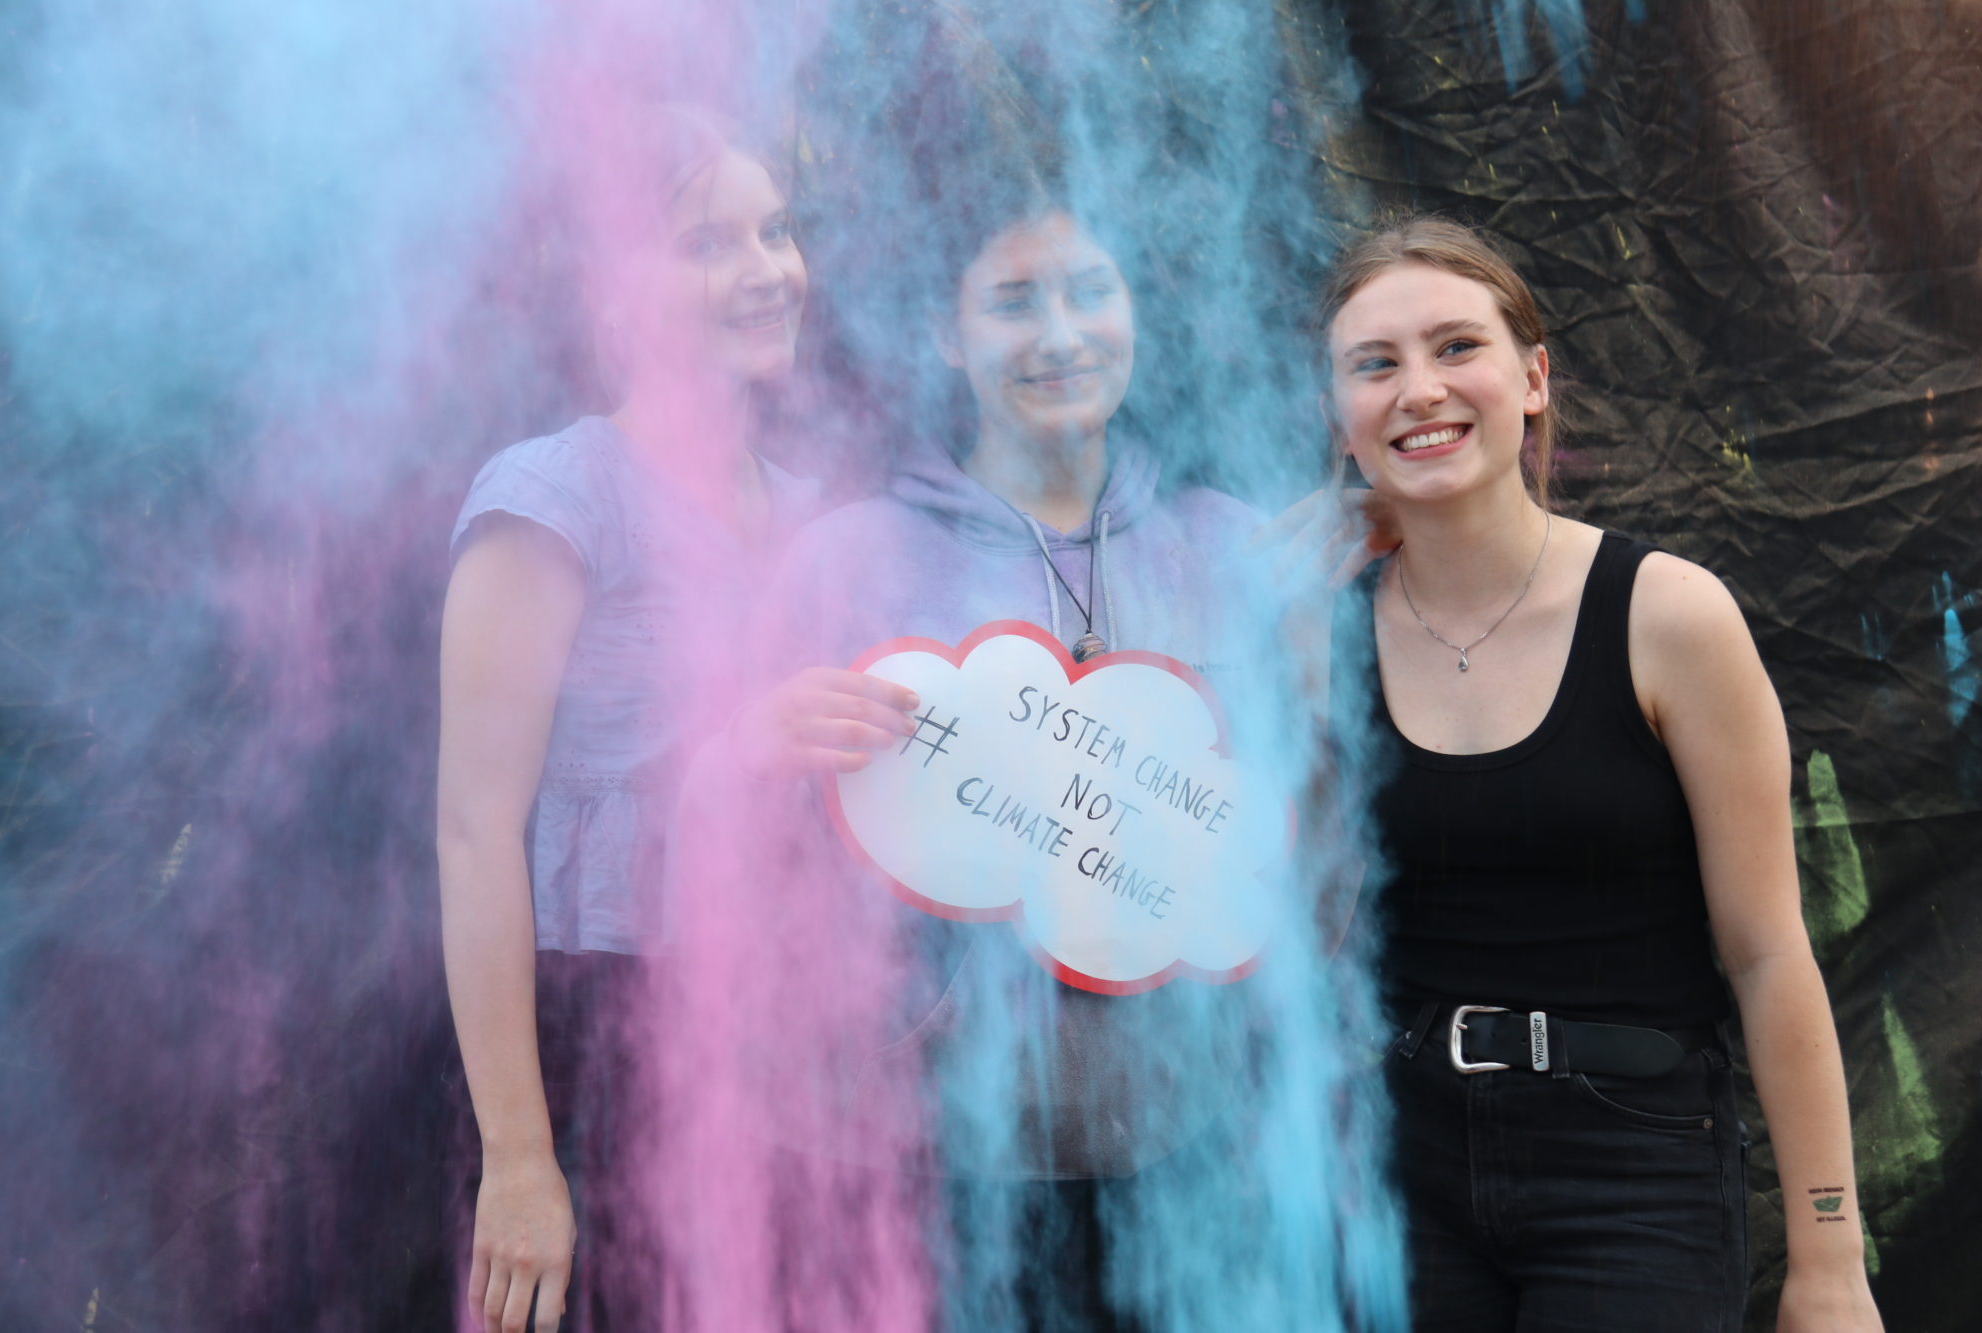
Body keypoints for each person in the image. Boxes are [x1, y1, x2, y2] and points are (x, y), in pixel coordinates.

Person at [673, 184, 1301, 1330]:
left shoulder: (1225, 547)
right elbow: (733, 881)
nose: (1059, 336)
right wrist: (743, 756)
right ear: (944, 335)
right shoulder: (851, 562)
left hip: (1200, 1159)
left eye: (1088, 292)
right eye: (1012, 302)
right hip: (938, 1169)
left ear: (1133, 310)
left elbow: (1319, 828)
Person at [1316, 216, 1883, 1332]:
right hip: (1398, 1171)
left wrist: (1829, 1261)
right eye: (1373, 365)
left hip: (1637, 1169)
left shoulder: (1668, 615)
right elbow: (1282, 932)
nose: (1419, 390)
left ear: (1532, 379)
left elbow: (1768, 954)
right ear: (1338, 416)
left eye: (1455, 347)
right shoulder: (1317, 636)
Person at [436, 109, 838, 1333]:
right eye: (705, 242)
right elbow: (472, 832)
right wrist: (520, 1157)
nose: (765, 269)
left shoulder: (813, 510)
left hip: (789, 1052)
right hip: (598, 1048)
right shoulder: (555, 497)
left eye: (775, 230)